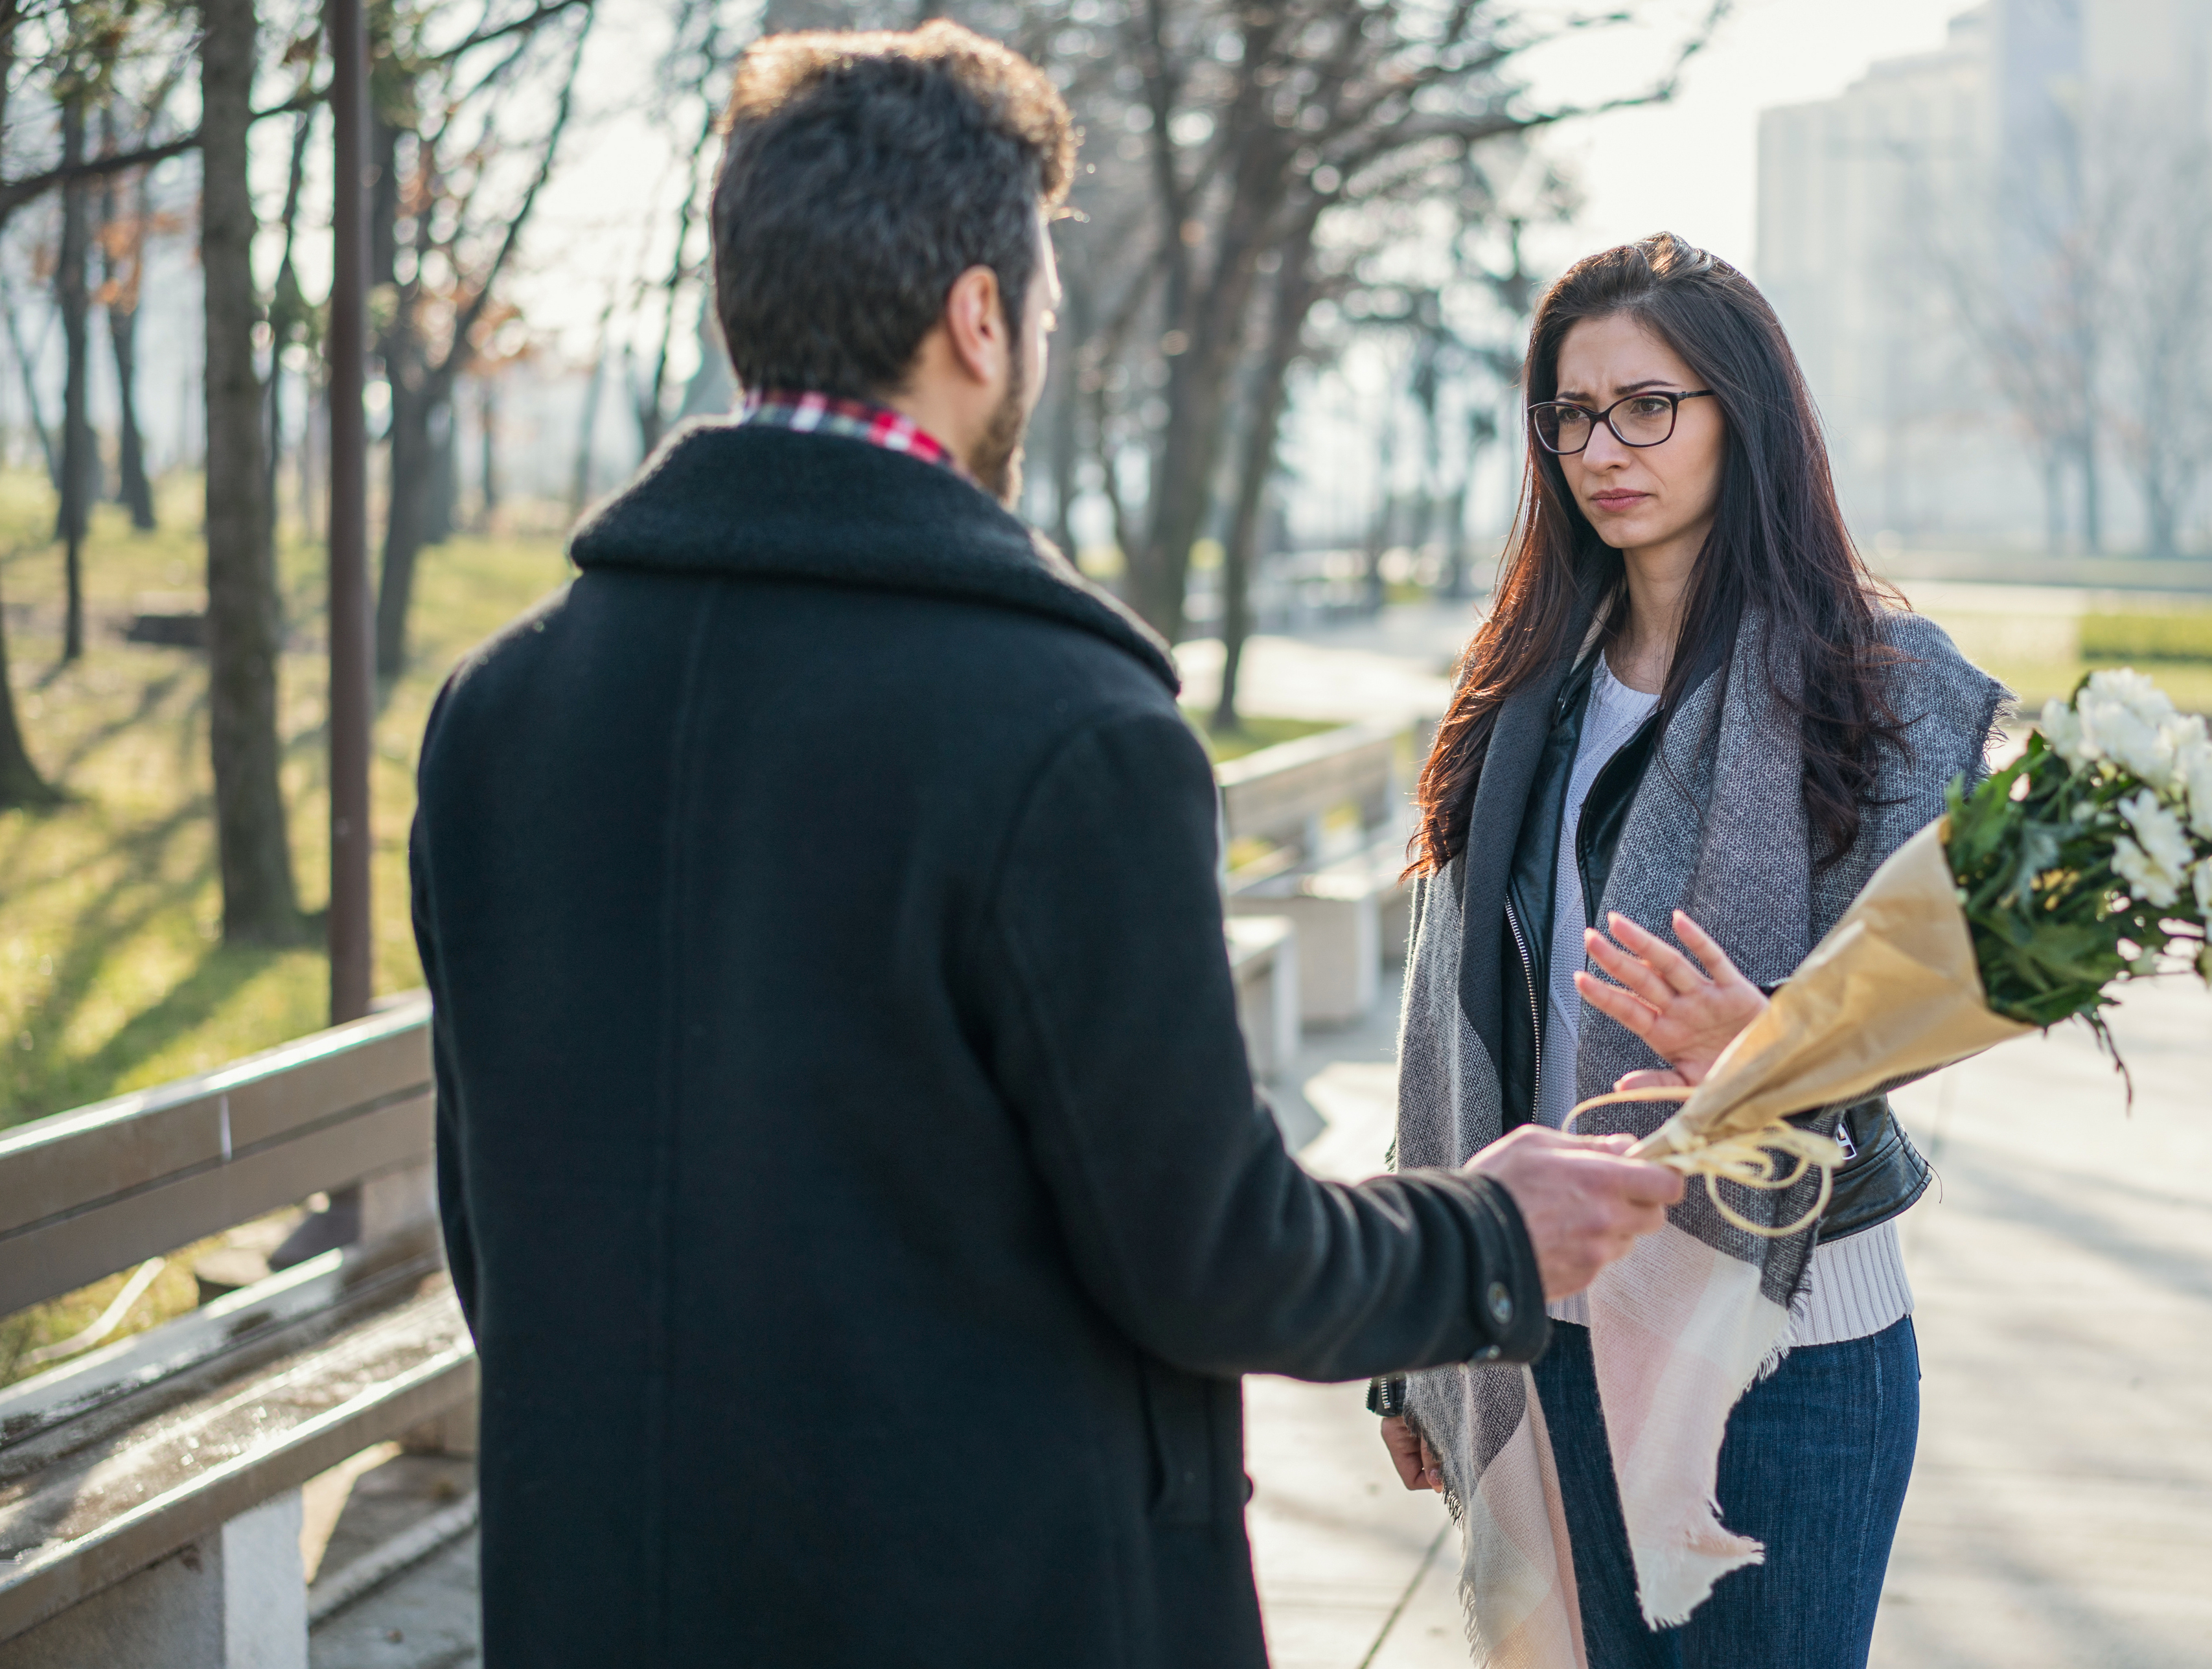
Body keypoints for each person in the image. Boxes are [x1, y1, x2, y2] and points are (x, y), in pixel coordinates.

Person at [408, 23, 1688, 1669]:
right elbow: (1215, 1259)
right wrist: (1490, 1233)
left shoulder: (499, 709)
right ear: (980, 317)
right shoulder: (1068, 727)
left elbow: (491, 1230)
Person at [1372, 235, 2005, 1668]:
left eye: (1648, 405)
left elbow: (1925, 994)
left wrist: (1769, 1049)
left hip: (1787, 1344)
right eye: (1573, 414)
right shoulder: (1522, 690)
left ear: (1745, 412)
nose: (1606, 447)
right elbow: (1447, 1023)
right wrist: (1422, 1331)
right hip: (1553, 1324)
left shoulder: (1881, 686)